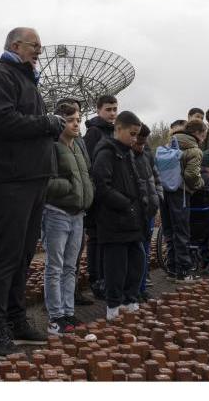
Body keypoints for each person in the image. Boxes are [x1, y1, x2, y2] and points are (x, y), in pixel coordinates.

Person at [0, 27, 64, 358]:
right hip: (10, 178)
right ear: (15, 45)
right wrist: (48, 123)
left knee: (24, 255)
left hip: (33, 176)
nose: (40, 51)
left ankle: (16, 320)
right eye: (35, 46)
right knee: (7, 256)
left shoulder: (28, 80)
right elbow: (3, 122)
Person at [90, 111, 148, 320]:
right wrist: (126, 204)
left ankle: (130, 300)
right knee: (116, 266)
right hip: (113, 221)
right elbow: (101, 186)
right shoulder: (106, 153)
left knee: (136, 261)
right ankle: (113, 306)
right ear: (119, 129)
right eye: (132, 134)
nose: (134, 138)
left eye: (136, 135)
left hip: (131, 221)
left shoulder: (128, 153)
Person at [43, 103, 93, 335]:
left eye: (78, 119)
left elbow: (86, 175)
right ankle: (56, 316)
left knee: (71, 267)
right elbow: (46, 181)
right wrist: (72, 187)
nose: (76, 123)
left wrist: (86, 190)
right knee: (55, 267)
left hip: (77, 215)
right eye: (71, 119)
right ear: (59, 121)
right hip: (57, 214)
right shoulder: (51, 147)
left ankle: (68, 312)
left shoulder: (79, 147)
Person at [81, 94, 118, 304]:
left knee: (106, 240)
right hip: (98, 195)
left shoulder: (115, 131)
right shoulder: (94, 133)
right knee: (95, 239)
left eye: (114, 109)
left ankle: (105, 278)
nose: (112, 113)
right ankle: (96, 280)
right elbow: (89, 162)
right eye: (108, 109)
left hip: (110, 192)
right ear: (98, 110)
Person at [161, 120, 206, 282]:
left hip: (164, 192)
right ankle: (184, 272)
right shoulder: (194, 150)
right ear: (198, 133)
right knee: (182, 232)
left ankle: (172, 269)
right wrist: (201, 184)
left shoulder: (169, 144)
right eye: (204, 134)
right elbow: (191, 176)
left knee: (169, 231)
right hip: (181, 194)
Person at [131, 124, 163, 301]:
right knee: (135, 252)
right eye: (139, 142)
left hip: (148, 212)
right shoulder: (125, 156)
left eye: (144, 142)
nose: (141, 146)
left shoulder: (147, 156)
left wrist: (158, 199)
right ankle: (133, 291)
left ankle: (142, 289)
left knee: (144, 250)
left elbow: (157, 180)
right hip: (134, 212)